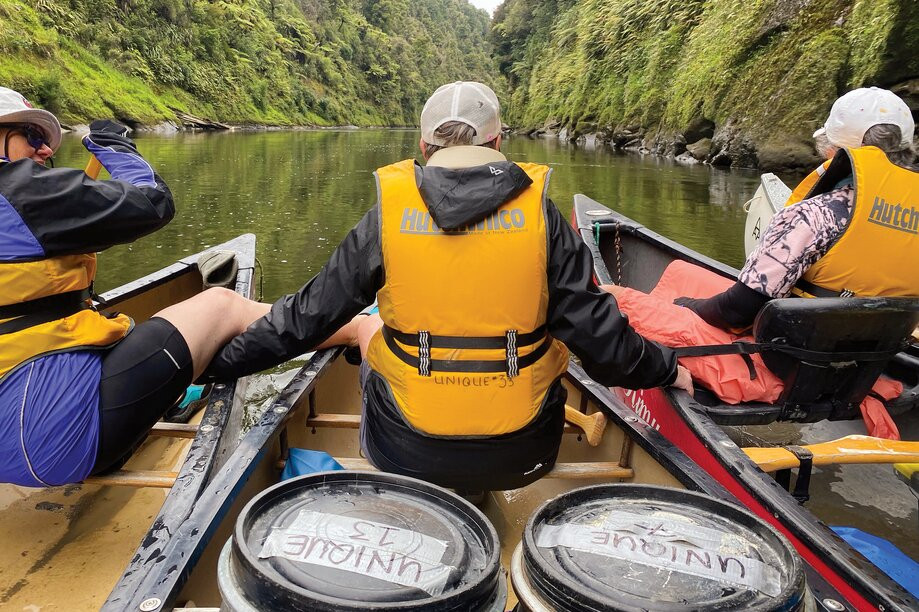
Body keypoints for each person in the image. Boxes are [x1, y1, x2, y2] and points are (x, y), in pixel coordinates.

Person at [205, 81, 692, 491]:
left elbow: (305, 319)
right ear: (497, 143)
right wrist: (667, 369)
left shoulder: (388, 218)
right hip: (521, 455)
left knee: (372, 329)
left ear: (423, 148)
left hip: (405, 449)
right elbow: (606, 348)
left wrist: (213, 365)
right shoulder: (543, 219)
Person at [602, 87, 917, 438]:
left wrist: (687, 307)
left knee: (613, 300)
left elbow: (738, 311)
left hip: (783, 367)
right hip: (858, 367)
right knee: (679, 271)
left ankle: (661, 364)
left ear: (837, 150)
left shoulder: (813, 216)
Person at [0, 87, 271, 487]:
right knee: (222, 305)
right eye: (33, 136)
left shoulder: (33, 210)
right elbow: (152, 201)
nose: (43, 151)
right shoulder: (22, 192)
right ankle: (358, 328)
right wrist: (116, 149)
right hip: (44, 449)